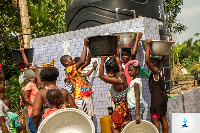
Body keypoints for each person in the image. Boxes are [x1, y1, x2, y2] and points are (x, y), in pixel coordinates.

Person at [99, 35, 131, 133]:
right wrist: (117, 41)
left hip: (119, 108)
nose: (107, 73)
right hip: (125, 107)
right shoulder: (122, 72)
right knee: (123, 128)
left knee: (114, 127)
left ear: (112, 70)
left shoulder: (116, 80)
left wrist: (102, 61)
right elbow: (117, 55)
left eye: (108, 70)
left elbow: (100, 75)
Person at [60, 38, 94, 119]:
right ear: (66, 63)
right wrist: (85, 46)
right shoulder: (69, 70)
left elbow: (86, 62)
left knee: (90, 118)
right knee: (86, 119)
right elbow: (82, 61)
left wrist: (90, 49)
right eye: (70, 59)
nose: (73, 61)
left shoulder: (75, 69)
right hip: (81, 97)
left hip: (85, 96)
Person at [145, 39, 168, 133]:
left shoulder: (155, 72)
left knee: (155, 119)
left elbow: (146, 61)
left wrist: (148, 46)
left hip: (157, 100)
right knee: (163, 118)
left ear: (156, 63)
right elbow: (161, 60)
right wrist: (163, 52)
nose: (151, 62)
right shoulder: (160, 69)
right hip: (162, 99)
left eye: (153, 61)